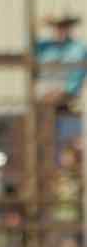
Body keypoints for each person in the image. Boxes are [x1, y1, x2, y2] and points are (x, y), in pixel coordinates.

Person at [34, 14, 87, 153]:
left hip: (66, 100)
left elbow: (79, 74)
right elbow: (28, 52)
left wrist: (66, 91)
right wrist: (37, 25)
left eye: (64, 26)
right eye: (58, 26)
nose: (61, 30)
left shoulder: (79, 48)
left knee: (68, 138)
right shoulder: (43, 47)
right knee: (43, 136)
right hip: (44, 97)